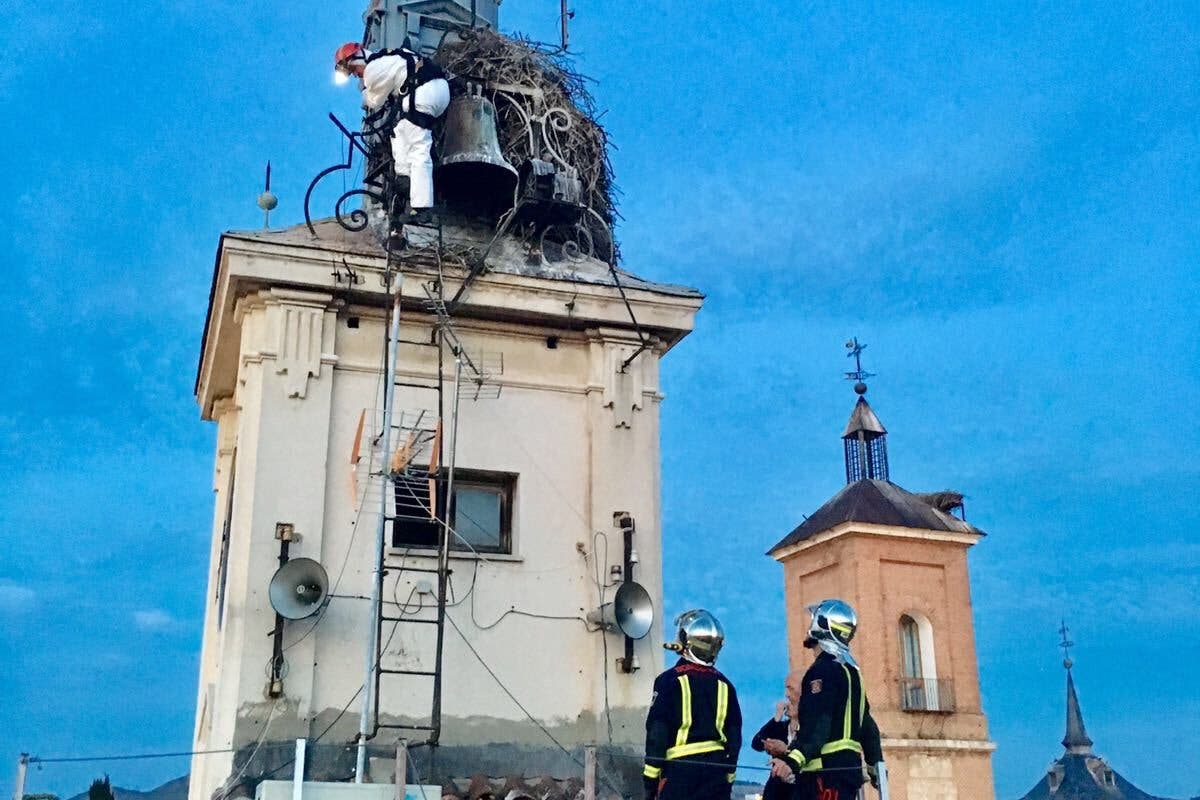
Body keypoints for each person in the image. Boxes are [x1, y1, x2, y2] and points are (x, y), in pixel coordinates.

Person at [769, 600, 883, 800]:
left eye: (813, 620)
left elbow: (818, 724)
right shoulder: (852, 672)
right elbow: (868, 727)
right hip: (847, 773)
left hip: (823, 775)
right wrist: (876, 767)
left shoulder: (822, 670)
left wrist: (792, 760)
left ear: (823, 626)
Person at [334, 41, 451, 219]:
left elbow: (374, 100)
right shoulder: (388, 56)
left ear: (358, 58)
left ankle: (421, 207)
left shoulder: (373, 69)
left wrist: (365, 97)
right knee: (400, 134)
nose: (357, 76)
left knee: (418, 148)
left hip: (424, 93)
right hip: (433, 91)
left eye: (353, 70)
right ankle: (404, 182)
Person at [644, 610, 743, 800]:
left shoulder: (668, 681)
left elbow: (657, 734)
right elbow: (735, 737)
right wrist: (728, 777)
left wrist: (650, 782)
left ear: (684, 640)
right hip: (717, 774)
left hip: (680, 774)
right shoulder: (726, 685)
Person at [751, 671, 803, 800]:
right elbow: (756, 743)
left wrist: (786, 750)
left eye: (790, 689)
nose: (787, 700)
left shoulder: (808, 730)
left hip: (797, 790)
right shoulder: (780, 728)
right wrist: (776, 719)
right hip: (776, 792)